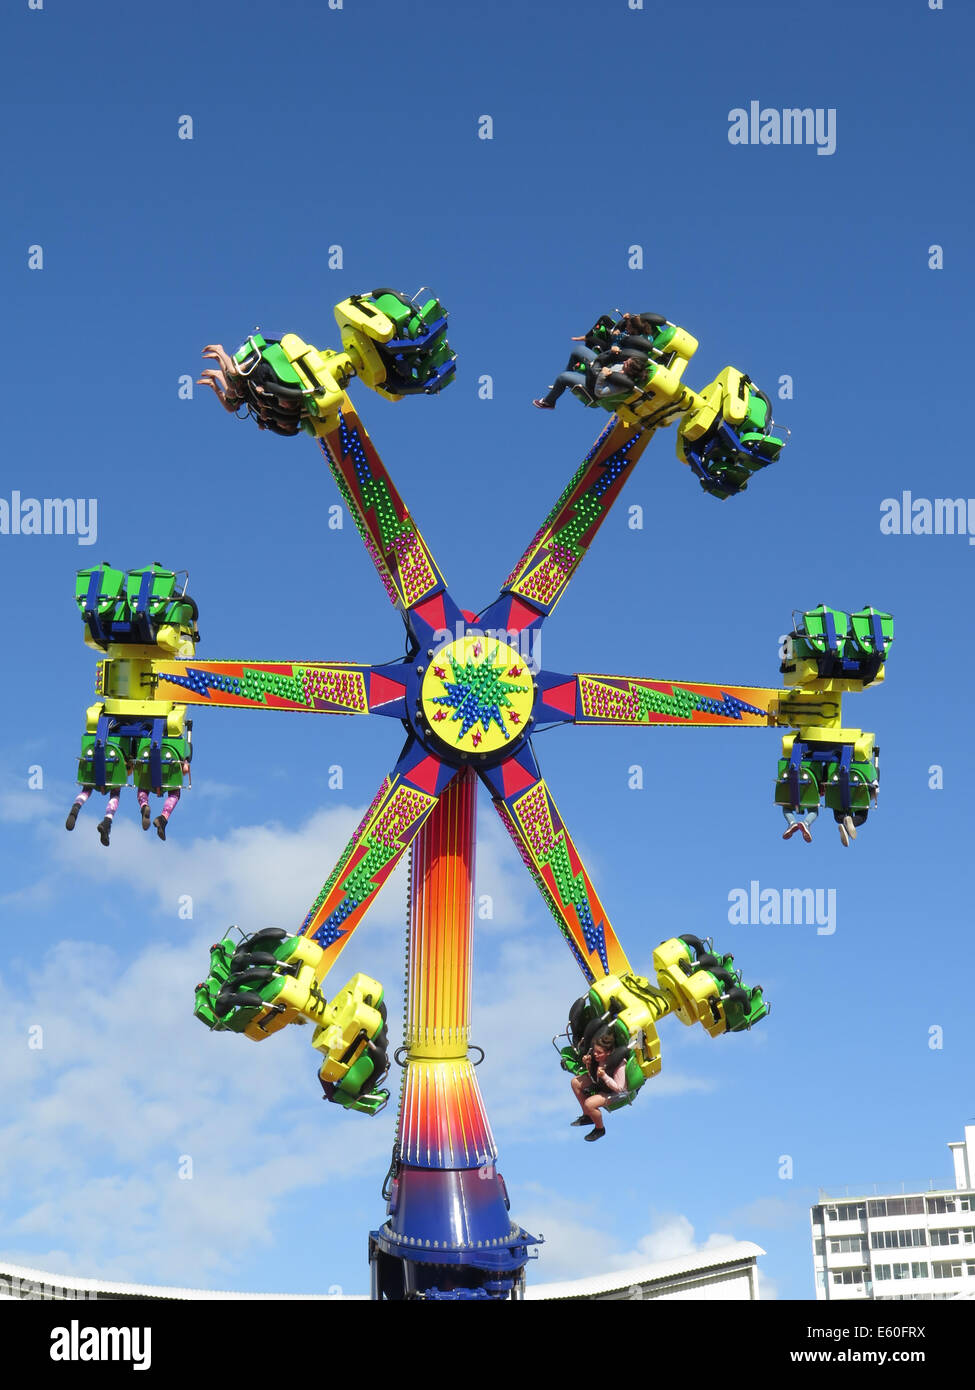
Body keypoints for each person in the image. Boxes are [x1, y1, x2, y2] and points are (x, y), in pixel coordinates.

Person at [570, 1031, 629, 1141]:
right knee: (575, 1082)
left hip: (614, 1092)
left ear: (609, 1052)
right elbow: (593, 1075)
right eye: (595, 1051)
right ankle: (588, 1116)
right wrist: (588, 1064)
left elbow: (620, 1089)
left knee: (589, 1104)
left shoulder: (618, 1064)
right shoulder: (597, 1058)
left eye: (599, 1052)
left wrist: (605, 1076)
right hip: (600, 1082)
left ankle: (599, 1129)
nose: (595, 1054)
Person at [534, 353, 646, 411]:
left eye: (626, 363)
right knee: (577, 351)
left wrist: (602, 375)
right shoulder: (623, 365)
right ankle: (560, 386)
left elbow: (599, 393)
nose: (624, 362)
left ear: (630, 370)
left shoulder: (623, 385)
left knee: (562, 377)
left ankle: (549, 402)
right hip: (597, 370)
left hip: (593, 386)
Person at [152, 758, 191, 841]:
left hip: (150, 767)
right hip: (171, 769)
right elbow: (185, 770)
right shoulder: (183, 745)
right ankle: (162, 818)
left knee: (142, 788)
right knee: (175, 794)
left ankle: (144, 805)